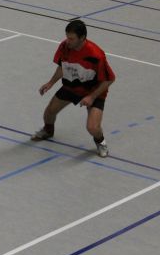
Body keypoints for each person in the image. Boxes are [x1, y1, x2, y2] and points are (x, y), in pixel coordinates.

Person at [31, 20, 116, 158]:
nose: (67, 41)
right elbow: (62, 66)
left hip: (92, 92)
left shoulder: (96, 55)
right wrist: (50, 83)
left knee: (92, 127)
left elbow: (109, 79)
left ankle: (101, 142)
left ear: (82, 38)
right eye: (67, 37)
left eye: (71, 38)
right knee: (49, 112)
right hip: (71, 87)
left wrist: (91, 97)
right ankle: (48, 131)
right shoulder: (65, 47)